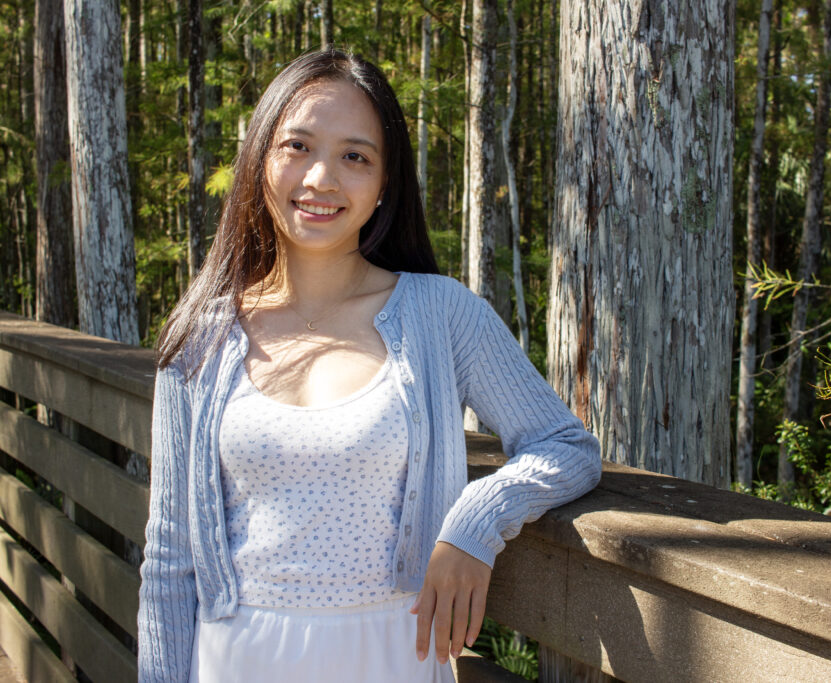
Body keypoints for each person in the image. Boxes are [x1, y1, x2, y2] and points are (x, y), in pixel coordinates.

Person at [137, 49, 601, 683]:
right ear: (259, 161)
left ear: (385, 183)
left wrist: (474, 523)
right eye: (297, 145)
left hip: (391, 655)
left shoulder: (440, 314)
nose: (322, 178)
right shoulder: (200, 338)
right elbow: (169, 558)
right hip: (235, 658)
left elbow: (563, 444)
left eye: (355, 156)